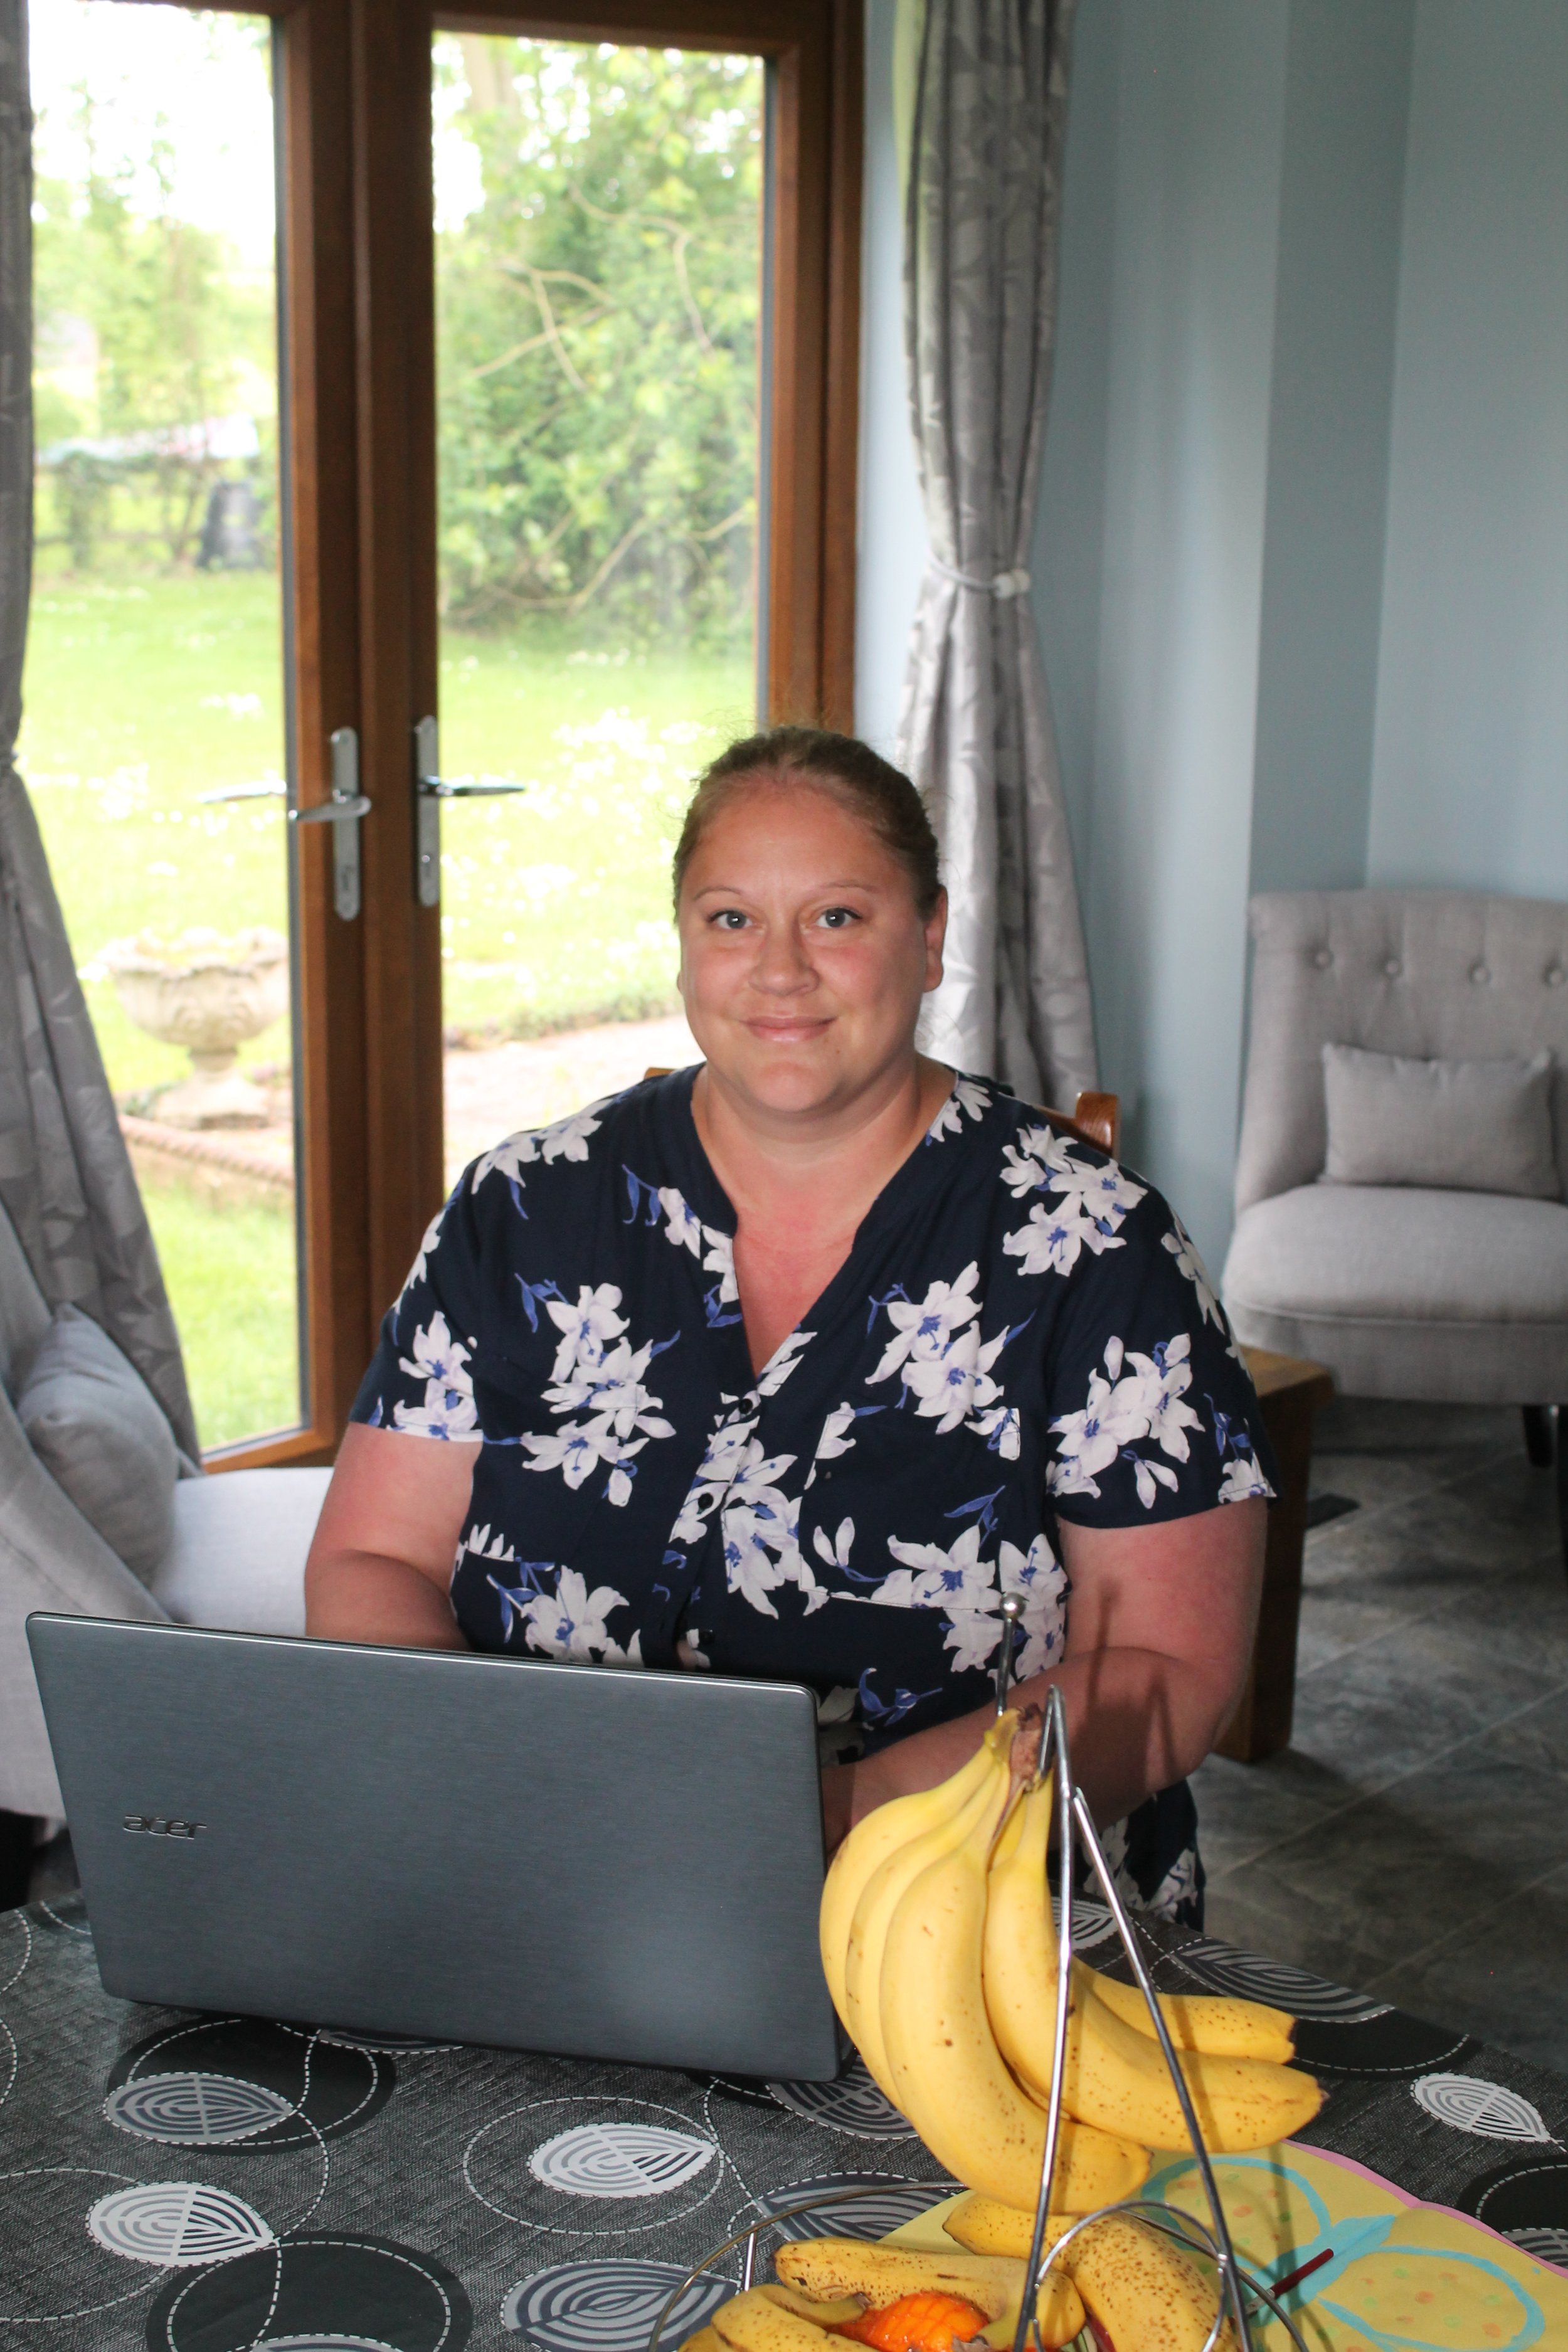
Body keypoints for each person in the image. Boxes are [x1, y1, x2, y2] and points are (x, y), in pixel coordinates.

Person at [305, 727, 1272, 1926]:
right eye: (730, 919)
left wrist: (812, 1825)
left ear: (928, 938)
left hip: (974, 1923)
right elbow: (370, 1562)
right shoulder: (520, 1207)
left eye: (835, 918)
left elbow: (1171, 1672)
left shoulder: (1097, 1248)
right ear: (682, 946)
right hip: (540, 1883)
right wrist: (510, 1788)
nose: (778, 972)